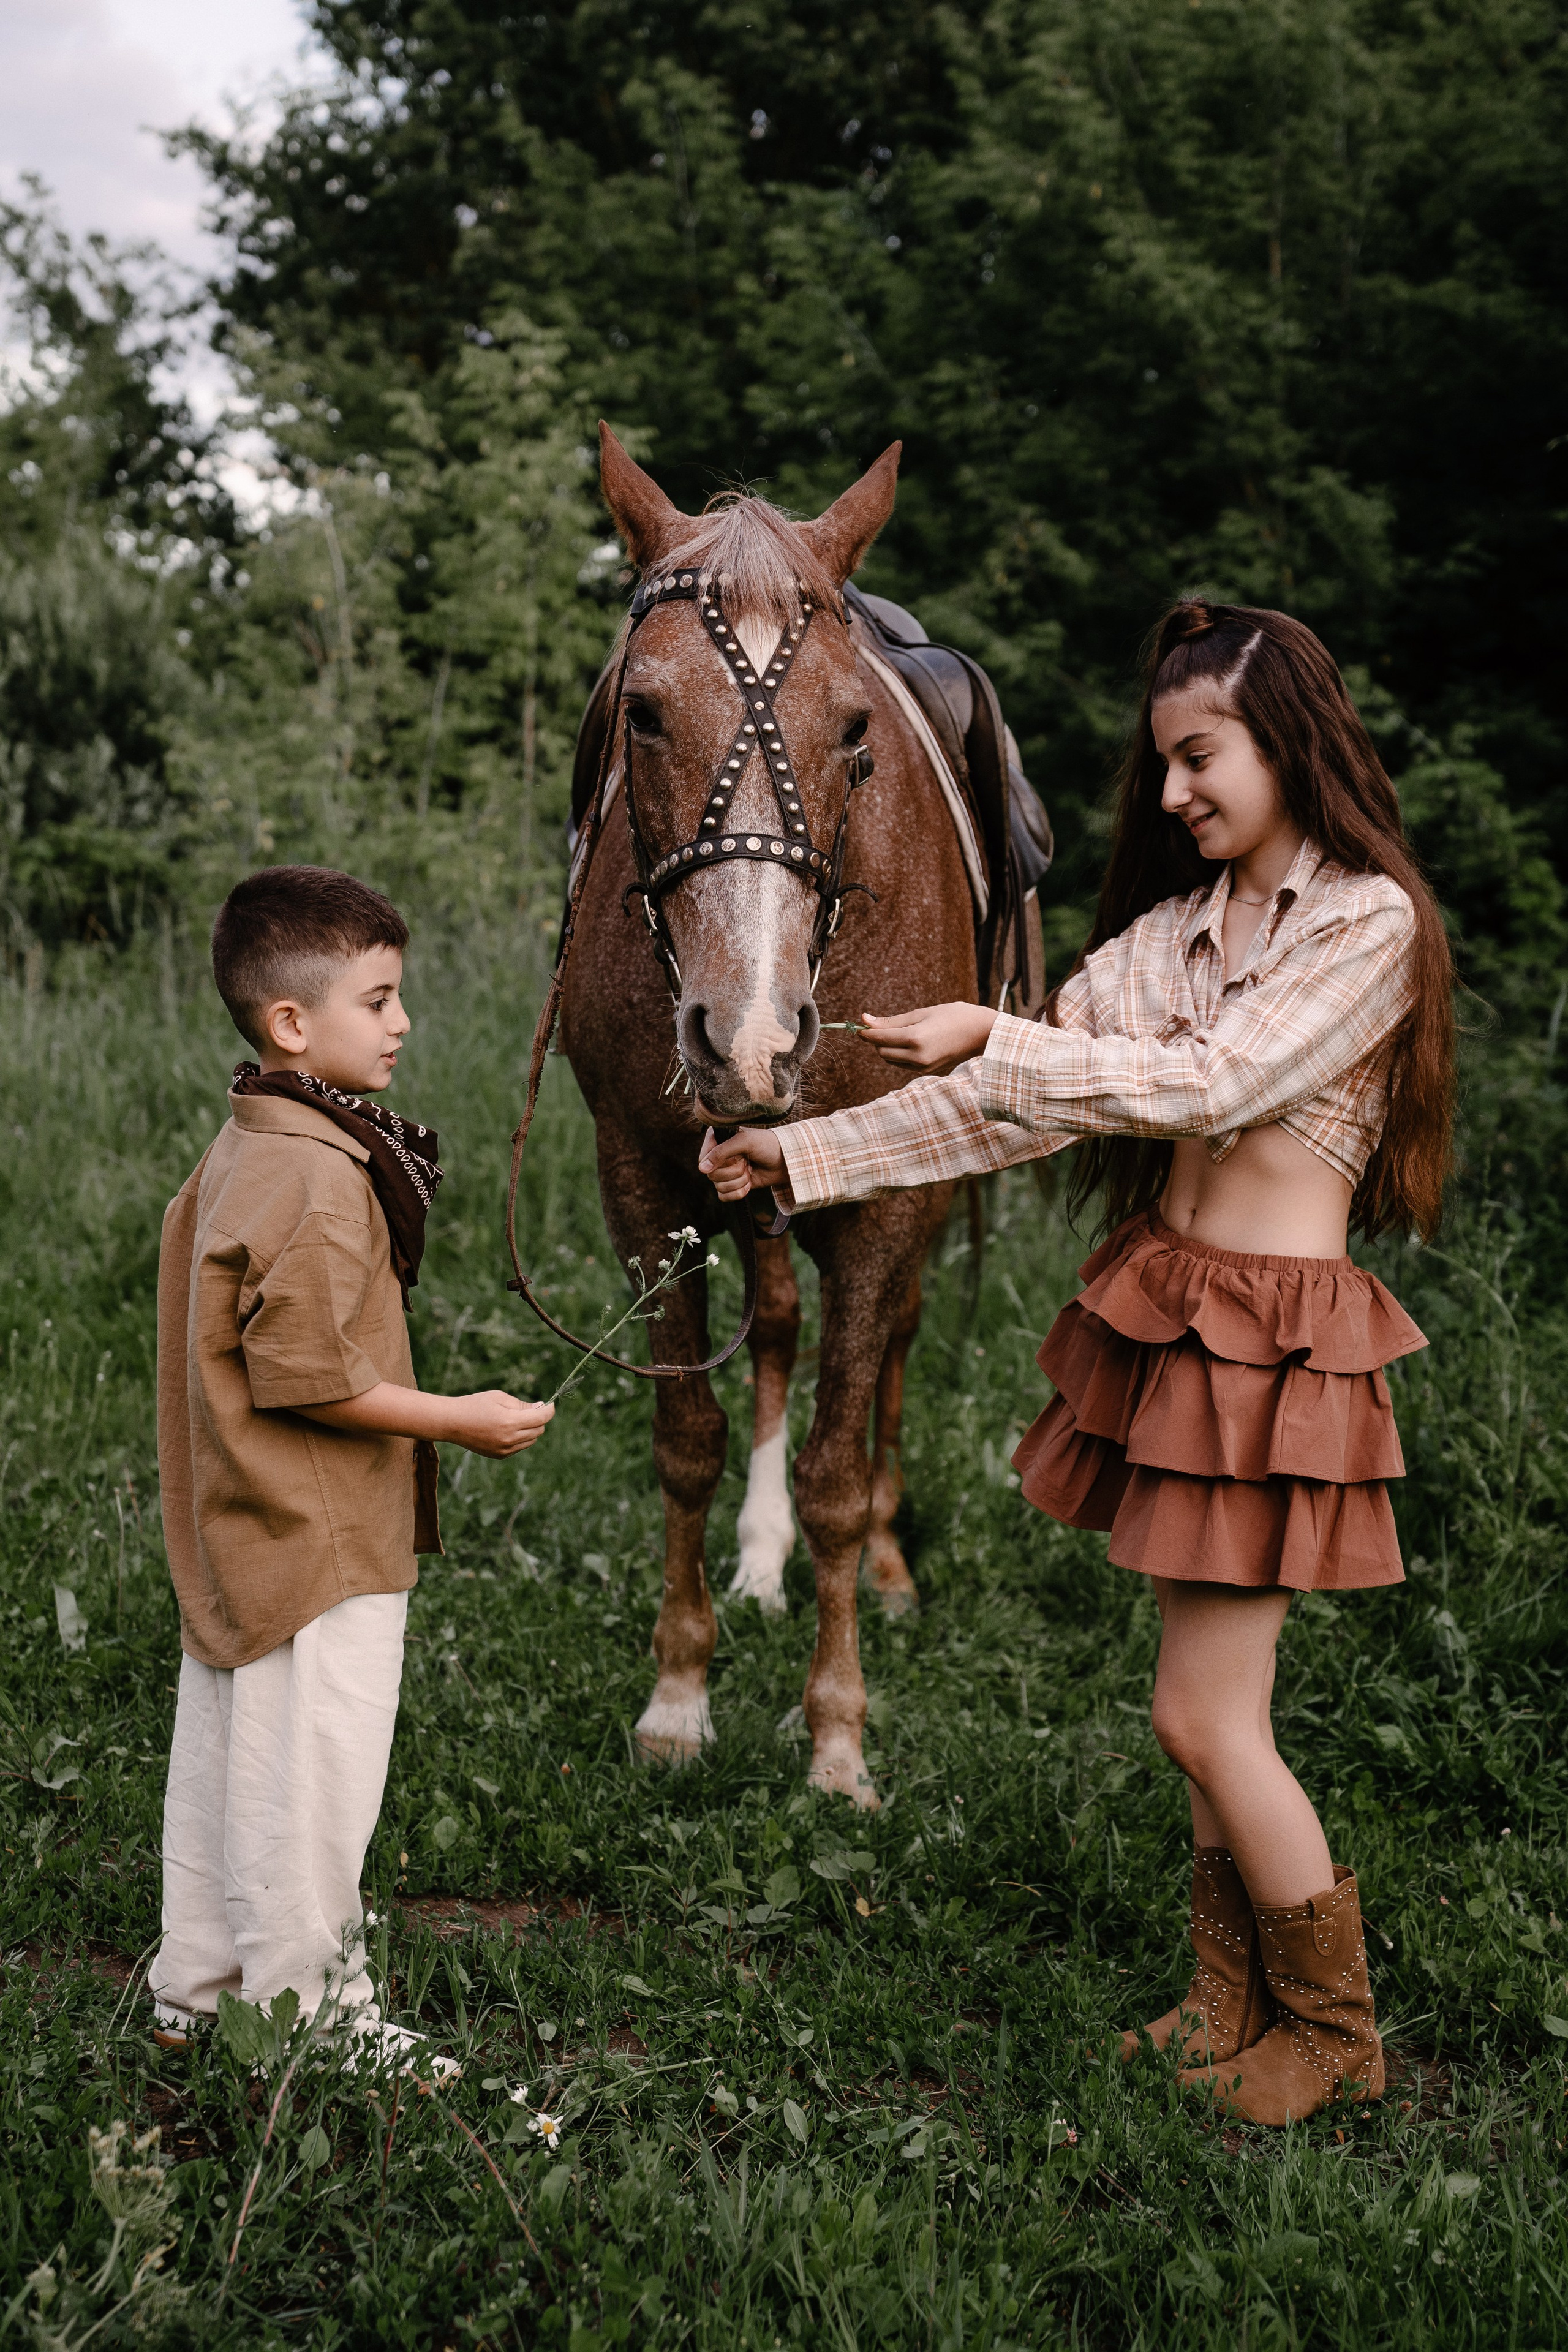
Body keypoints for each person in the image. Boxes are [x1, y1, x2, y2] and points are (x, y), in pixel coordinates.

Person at [701, 601, 1455, 2125]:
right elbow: (1009, 1105)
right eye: (1162, 762)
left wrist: (994, 1032)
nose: (1172, 792)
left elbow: (1214, 1085)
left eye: (1200, 756)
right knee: (1201, 1718)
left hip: (1274, 1344)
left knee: (1204, 1717)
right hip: (1184, 1315)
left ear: (1287, 741)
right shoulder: (1178, 933)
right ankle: (1223, 2006)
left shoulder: (1366, 923)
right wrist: (801, 1154)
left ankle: (1334, 2038)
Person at [151, 866, 554, 2067]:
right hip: (318, 1536)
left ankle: (199, 1988)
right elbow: (311, 1379)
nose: (402, 1022)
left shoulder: (250, 1138)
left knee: (230, 1765)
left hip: (244, 1519)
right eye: (377, 1000)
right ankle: (313, 2022)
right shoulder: (323, 1177)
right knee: (312, 1787)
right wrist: (457, 1419)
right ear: (291, 1023)